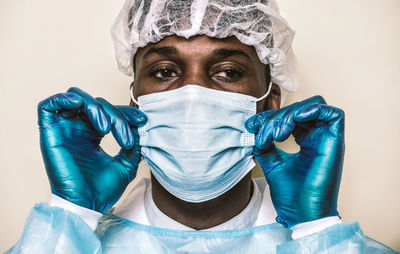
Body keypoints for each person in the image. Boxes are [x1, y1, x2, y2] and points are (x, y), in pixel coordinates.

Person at [6, 0, 398, 253]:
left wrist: (318, 230)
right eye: (164, 71)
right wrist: (72, 213)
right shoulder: (57, 243)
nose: (193, 94)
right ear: (134, 104)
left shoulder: (339, 246)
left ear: (270, 101)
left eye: (228, 71)